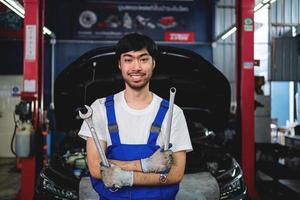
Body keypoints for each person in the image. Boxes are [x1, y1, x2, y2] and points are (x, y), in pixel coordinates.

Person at [78, 33, 193, 199]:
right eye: (128, 59)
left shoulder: (173, 113)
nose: (136, 67)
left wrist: (127, 176)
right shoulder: (100, 108)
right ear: (119, 64)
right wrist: (146, 165)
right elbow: (96, 168)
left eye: (143, 59)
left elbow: (175, 174)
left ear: (153, 63)